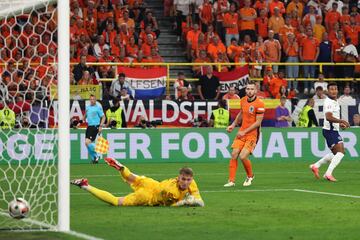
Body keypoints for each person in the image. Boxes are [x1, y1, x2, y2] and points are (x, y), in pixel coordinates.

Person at [71, 157, 204, 207]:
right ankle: (85, 185)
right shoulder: (172, 191)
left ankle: (122, 168)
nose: (186, 182)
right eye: (184, 179)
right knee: (116, 201)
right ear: (178, 178)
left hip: (151, 183)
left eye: (188, 180)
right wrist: (185, 202)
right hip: (147, 196)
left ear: (191, 179)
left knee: (130, 178)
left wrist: (195, 200)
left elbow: (200, 201)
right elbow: (171, 206)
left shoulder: (192, 182)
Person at [224, 81, 265, 187]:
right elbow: (241, 113)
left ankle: (250, 176)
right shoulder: (242, 100)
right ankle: (231, 181)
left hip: (252, 134)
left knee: (243, 156)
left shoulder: (260, 104)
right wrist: (233, 125)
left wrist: (244, 131)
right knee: (234, 154)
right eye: (248, 89)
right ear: (245, 90)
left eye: (252, 89)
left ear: (255, 91)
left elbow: (258, 123)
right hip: (242, 132)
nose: (249, 91)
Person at [310, 82, 350, 182]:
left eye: (335, 89)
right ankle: (328, 174)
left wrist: (339, 124)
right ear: (328, 91)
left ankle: (316, 165)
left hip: (332, 129)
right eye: (331, 89)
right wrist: (342, 120)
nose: (334, 91)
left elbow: (333, 117)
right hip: (330, 131)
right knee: (340, 153)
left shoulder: (335, 101)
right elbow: (328, 117)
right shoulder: (329, 102)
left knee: (335, 153)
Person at [83, 95, 106, 164]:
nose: (92, 100)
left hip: (95, 126)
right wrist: (81, 120)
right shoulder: (88, 108)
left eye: (93, 99)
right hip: (89, 127)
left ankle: (97, 155)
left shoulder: (98, 108)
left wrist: (100, 126)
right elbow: (84, 117)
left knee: (87, 142)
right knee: (87, 143)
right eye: (91, 99)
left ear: (95, 100)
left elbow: (103, 117)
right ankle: (94, 158)